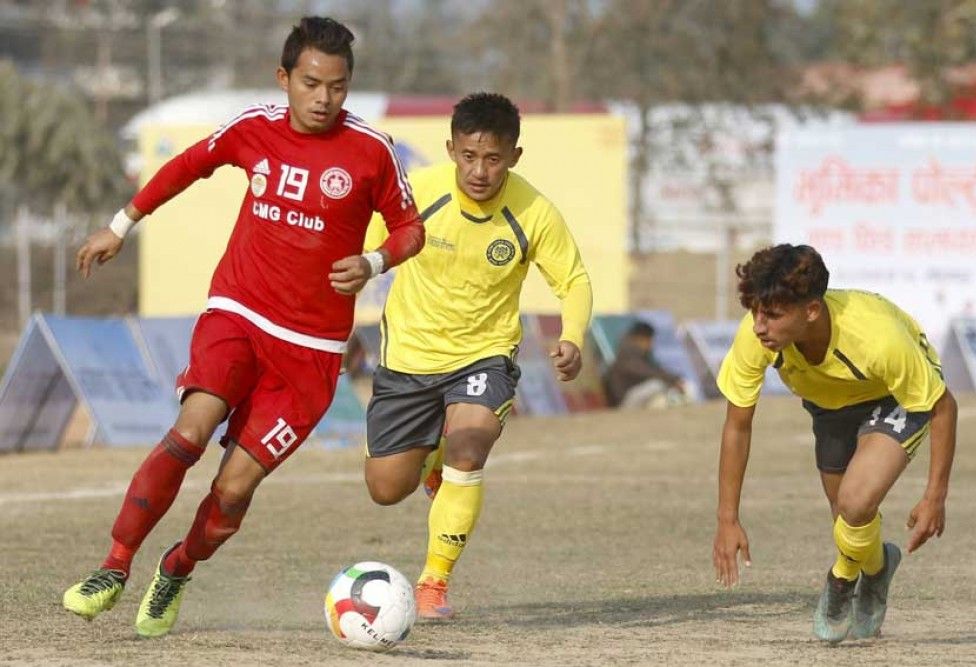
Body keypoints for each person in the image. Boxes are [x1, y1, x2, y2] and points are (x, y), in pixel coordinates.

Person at [62, 17, 424, 638]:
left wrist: (374, 261)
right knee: (190, 432)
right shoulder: (254, 128)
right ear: (284, 78)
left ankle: (177, 568)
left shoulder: (372, 151)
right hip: (239, 314)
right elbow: (188, 165)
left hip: (311, 353)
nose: (323, 98)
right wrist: (120, 225)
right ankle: (114, 566)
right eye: (311, 83)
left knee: (233, 490)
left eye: (337, 87)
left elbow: (410, 229)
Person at [360, 92, 592, 620]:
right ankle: (431, 462)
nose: (480, 171)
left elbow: (574, 280)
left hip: (484, 356)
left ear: (514, 156)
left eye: (493, 158)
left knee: (468, 447)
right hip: (409, 358)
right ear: (451, 150)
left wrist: (573, 336)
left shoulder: (534, 212)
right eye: (468, 156)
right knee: (385, 489)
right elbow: (367, 250)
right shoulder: (417, 194)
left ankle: (433, 584)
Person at [711, 244, 957, 643]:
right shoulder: (754, 336)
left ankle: (841, 578)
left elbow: (943, 406)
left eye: (772, 315)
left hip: (892, 395)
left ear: (811, 310)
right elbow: (737, 426)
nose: (759, 326)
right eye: (755, 312)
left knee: (855, 501)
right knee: (846, 516)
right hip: (829, 404)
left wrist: (935, 496)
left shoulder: (878, 338)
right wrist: (727, 519)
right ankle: (877, 569)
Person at [602, 320, 687, 409]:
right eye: (649, 340)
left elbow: (655, 370)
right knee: (657, 385)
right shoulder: (627, 355)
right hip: (625, 403)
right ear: (640, 338)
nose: (651, 344)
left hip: (633, 400)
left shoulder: (638, 355)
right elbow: (646, 372)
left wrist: (674, 379)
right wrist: (673, 381)